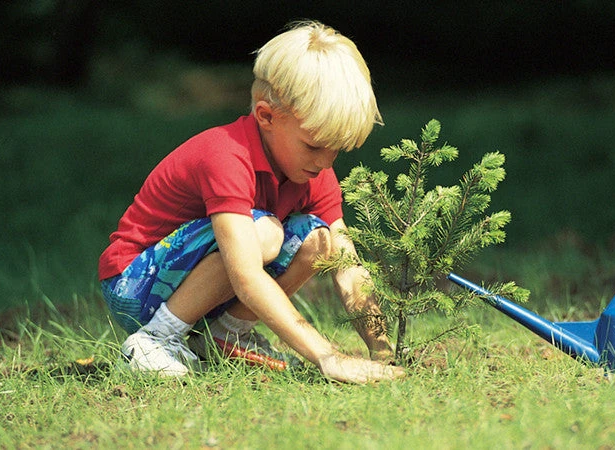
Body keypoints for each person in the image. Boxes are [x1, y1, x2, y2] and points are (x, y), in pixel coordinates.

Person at [98, 21, 405, 384]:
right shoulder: (226, 156)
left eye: (336, 148)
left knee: (322, 240)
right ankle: (154, 340)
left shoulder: (314, 172)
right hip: (135, 284)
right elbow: (244, 275)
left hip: (194, 286)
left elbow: (347, 267)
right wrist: (328, 357)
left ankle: (225, 337)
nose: (326, 162)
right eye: (314, 145)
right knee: (264, 233)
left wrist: (382, 353)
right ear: (266, 116)